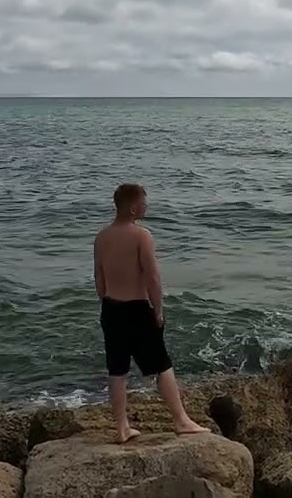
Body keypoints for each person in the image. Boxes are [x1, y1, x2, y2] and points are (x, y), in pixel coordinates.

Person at [93, 183, 209, 443]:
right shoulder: (141, 236)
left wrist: (109, 303)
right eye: (144, 202)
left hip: (111, 309)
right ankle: (181, 420)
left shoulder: (102, 237)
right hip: (137, 309)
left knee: (117, 369)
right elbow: (152, 278)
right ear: (134, 207)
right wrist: (158, 310)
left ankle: (122, 428)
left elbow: (99, 279)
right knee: (162, 364)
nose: (147, 206)